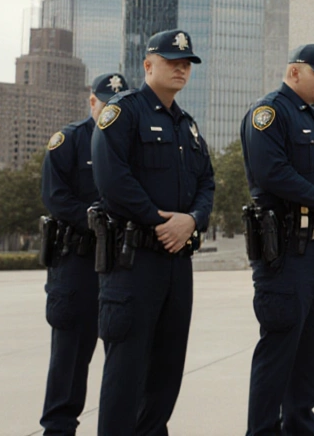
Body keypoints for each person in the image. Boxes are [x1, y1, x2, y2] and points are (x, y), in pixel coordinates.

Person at [90, 29, 214, 436]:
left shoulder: (187, 127)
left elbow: (207, 183)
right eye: (171, 61)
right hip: (134, 262)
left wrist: (192, 220)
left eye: (186, 64)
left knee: (166, 373)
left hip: (177, 263)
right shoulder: (123, 112)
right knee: (125, 376)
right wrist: (162, 223)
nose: (181, 68)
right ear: (147, 65)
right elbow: (113, 181)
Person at [241, 44, 314, 436]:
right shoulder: (270, 113)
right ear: (294, 73)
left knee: (310, 356)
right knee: (278, 354)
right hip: (286, 253)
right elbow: (270, 171)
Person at [38, 71, 127, 435]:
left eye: (120, 106)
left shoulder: (128, 142)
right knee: (70, 356)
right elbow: (55, 198)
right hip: (76, 262)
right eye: (107, 103)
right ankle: (59, 429)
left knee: (123, 354)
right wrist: (99, 221)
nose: (111, 111)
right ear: (92, 101)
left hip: (120, 263)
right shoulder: (68, 141)